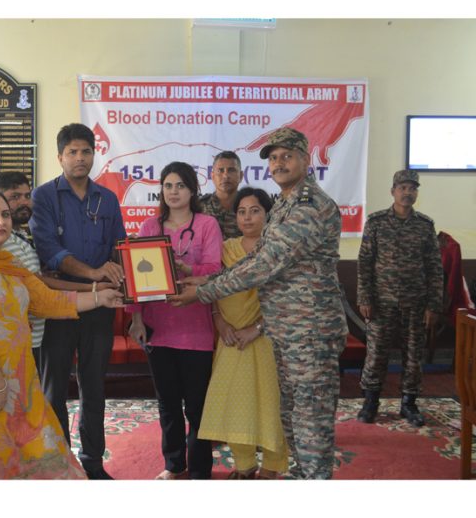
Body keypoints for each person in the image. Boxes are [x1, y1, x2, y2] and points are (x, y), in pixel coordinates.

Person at [171, 127, 348, 480]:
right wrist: (205, 280)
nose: (279, 163)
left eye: (288, 156)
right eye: (273, 158)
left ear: (305, 159)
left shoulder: (309, 206)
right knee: (293, 421)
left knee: (311, 424)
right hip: (287, 331)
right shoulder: (283, 203)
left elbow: (266, 264)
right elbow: (255, 261)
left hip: (310, 332)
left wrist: (204, 292)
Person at [0, 189, 123, 480]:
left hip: (21, 382)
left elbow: (48, 301)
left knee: (41, 459)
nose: (0, 222)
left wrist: (99, 299)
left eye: (4, 215)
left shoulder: (8, 265)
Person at [29, 123, 127, 480]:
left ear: (94, 154)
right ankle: (59, 463)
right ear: (60, 157)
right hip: (58, 300)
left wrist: (124, 272)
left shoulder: (108, 198)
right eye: (72, 152)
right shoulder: (44, 197)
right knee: (54, 387)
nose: (80, 158)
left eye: (86, 151)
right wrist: (93, 274)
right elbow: (49, 251)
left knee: (94, 385)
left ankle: (93, 462)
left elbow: (120, 246)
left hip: (99, 304)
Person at [127, 162, 222, 480]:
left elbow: (214, 270)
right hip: (158, 328)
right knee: (167, 403)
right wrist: (137, 320)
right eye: (168, 186)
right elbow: (137, 280)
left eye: (180, 185)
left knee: (197, 405)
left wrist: (184, 268)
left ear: (192, 190)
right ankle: (173, 463)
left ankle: (199, 469)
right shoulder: (150, 228)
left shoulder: (207, 224)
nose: (174, 192)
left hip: (195, 329)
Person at [198, 187, 288, 480]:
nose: (247, 217)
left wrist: (257, 328)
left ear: (268, 213)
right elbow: (212, 286)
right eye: (241, 211)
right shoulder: (225, 249)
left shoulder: (277, 250)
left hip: (268, 338)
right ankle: (244, 465)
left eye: (255, 210)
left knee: (270, 404)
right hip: (231, 339)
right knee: (233, 401)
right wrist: (219, 322)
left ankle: (272, 467)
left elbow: (288, 297)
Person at [0, 171, 113, 372]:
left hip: (32, 336)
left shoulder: (19, 236)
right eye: (14, 197)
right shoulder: (4, 241)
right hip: (16, 340)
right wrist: (93, 288)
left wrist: (42, 275)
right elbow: (37, 284)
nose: (24, 202)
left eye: (27, 195)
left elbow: (30, 279)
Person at [356, 169, 443, 426]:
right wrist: (364, 298)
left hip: (416, 304)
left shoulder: (425, 226)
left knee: (414, 356)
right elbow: (365, 263)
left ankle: (409, 403)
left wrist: (434, 305)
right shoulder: (376, 222)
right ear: (393, 191)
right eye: (403, 187)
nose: (408, 192)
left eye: (413, 188)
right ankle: (371, 401)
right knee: (376, 355)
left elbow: (435, 267)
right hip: (381, 303)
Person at [199, 151, 244, 240]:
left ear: (241, 175)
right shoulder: (199, 207)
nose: (225, 175)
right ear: (212, 176)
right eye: (220, 170)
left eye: (231, 170)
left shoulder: (250, 206)